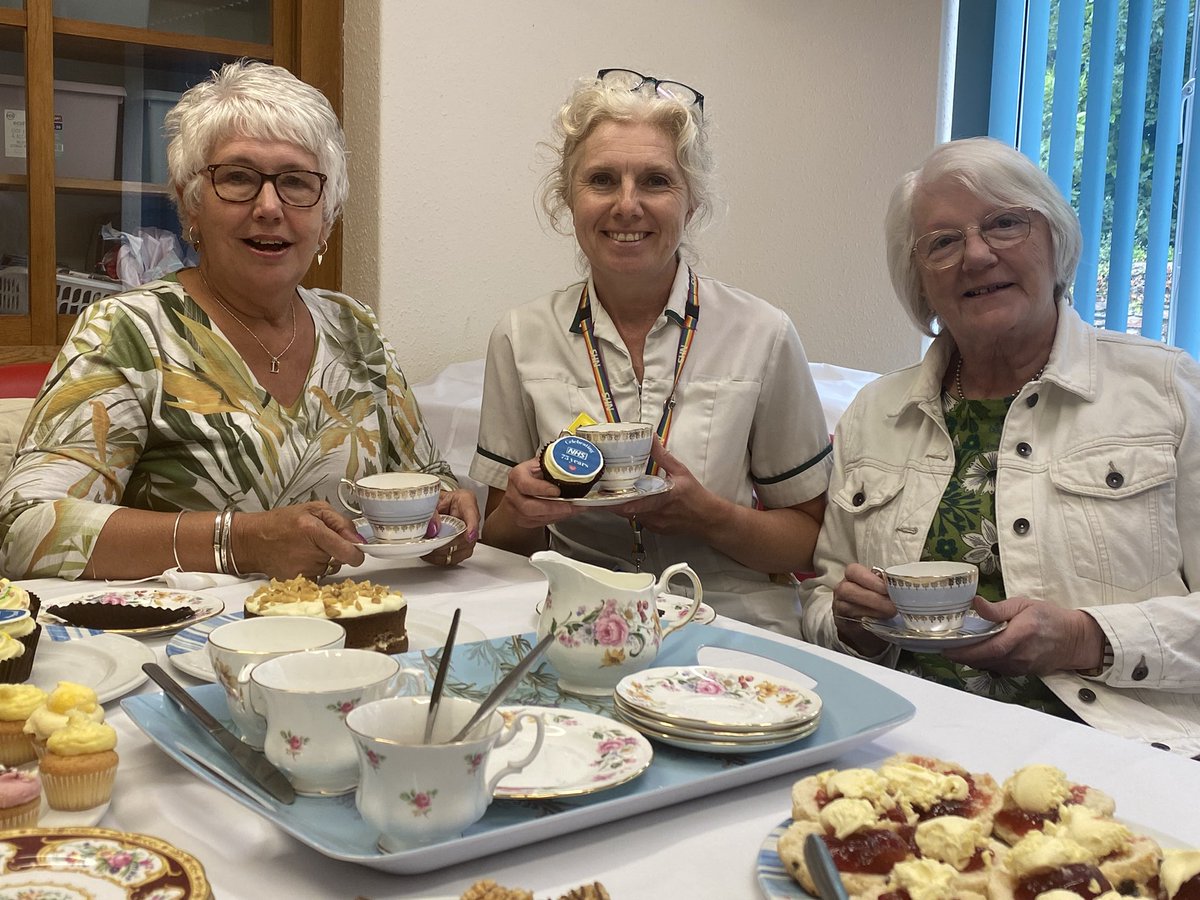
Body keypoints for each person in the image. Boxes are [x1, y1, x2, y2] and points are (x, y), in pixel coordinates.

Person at [0, 61, 478, 581]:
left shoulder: (355, 330)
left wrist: (447, 513)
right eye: (238, 178)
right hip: (184, 650)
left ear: (327, 217)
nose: (269, 206)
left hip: (350, 640)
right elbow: (23, 530)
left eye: (296, 182)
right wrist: (239, 543)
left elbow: (428, 477)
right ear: (190, 202)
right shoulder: (127, 331)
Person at [801, 137, 1200, 755]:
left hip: (1113, 754)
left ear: (1055, 242)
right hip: (900, 743)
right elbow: (824, 602)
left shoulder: (1168, 392)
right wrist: (853, 626)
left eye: (1006, 223)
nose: (978, 255)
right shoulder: (876, 413)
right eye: (943, 241)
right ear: (920, 282)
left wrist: (1086, 637)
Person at [470, 68, 831, 636]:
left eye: (656, 181)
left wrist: (710, 517)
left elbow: (809, 538)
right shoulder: (519, 337)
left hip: (730, 623)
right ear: (568, 199)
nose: (627, 205)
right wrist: (518, 510)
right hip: (580, 622)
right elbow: (500, 542)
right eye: (603, 180)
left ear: (692, 203)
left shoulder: (764, 334)